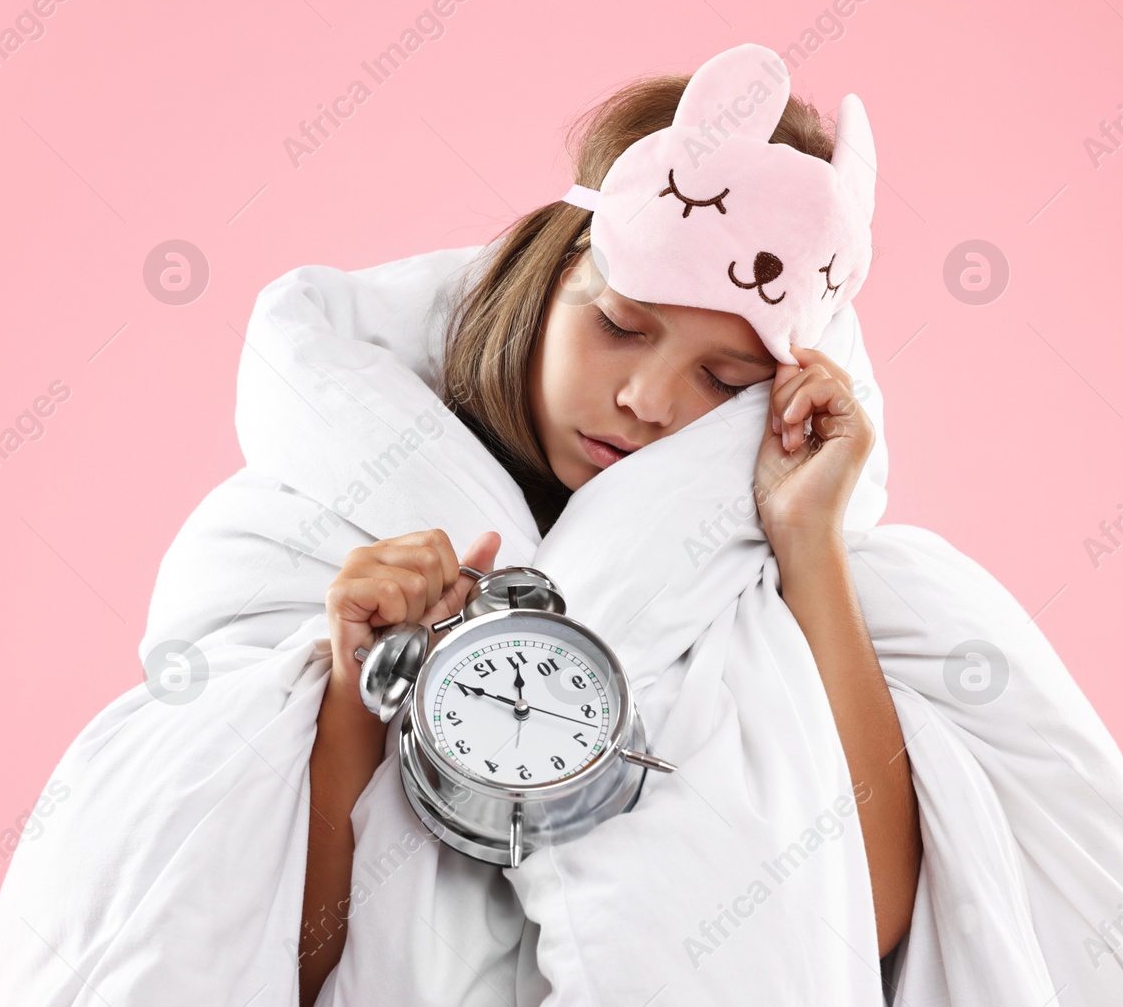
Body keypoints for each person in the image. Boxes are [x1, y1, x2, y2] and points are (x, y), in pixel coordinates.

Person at [300, 70, 921, 1006]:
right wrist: (356, 686)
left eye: (722, 380)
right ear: (546, 275)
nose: (649, 401)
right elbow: (272, 960)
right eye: (622, 325)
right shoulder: (312, 528)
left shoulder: (767, 590)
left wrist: (808, 545)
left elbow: (866, 918)